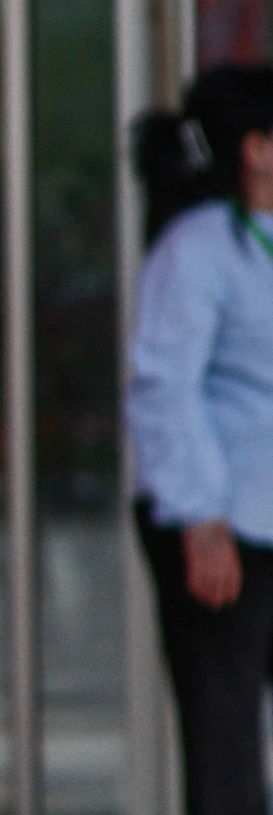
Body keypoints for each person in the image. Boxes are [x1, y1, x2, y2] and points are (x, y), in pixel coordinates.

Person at [129, 64, 273, 815]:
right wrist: (200, 517)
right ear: (256, 149)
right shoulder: (198, 248)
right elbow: (165, 387)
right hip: (223, 529)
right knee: (227, 758)